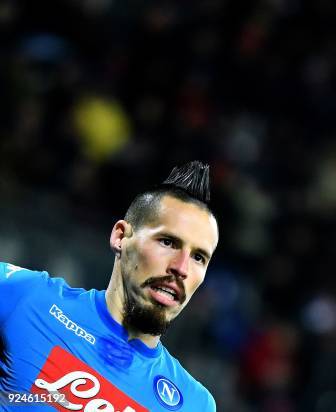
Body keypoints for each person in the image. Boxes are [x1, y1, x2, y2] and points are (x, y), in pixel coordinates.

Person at [0, 161, 219, 411]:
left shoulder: (194, 404)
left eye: (198, 257)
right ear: (121, 237)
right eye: (168, 242)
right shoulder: (26, 297)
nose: (182, 268)